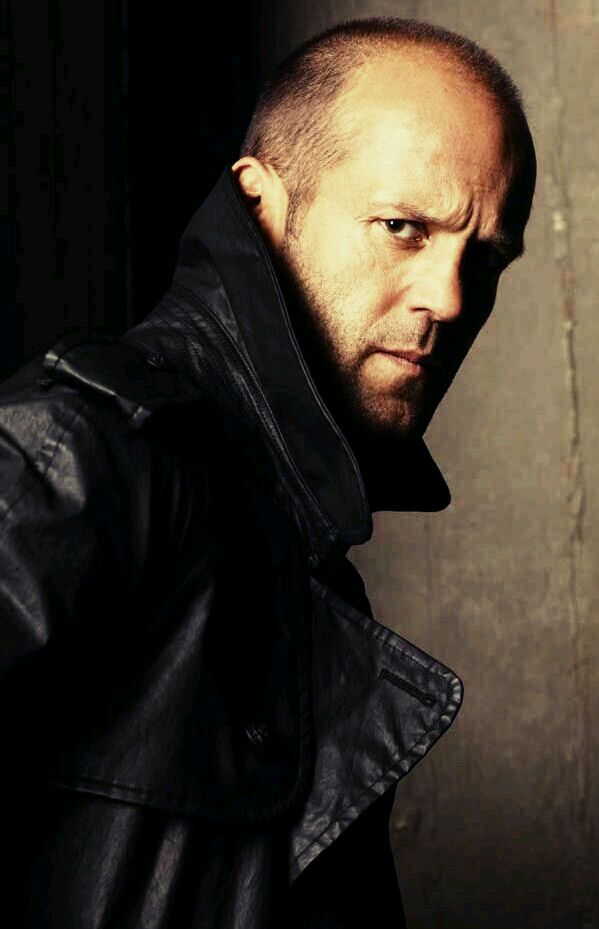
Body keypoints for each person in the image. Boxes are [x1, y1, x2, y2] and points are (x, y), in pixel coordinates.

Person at [2, 16, 536, 929]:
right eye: (403, 228)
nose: (450, 299)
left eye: (481, 259)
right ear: (261, 205)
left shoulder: (296, 542)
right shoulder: (91, 451)